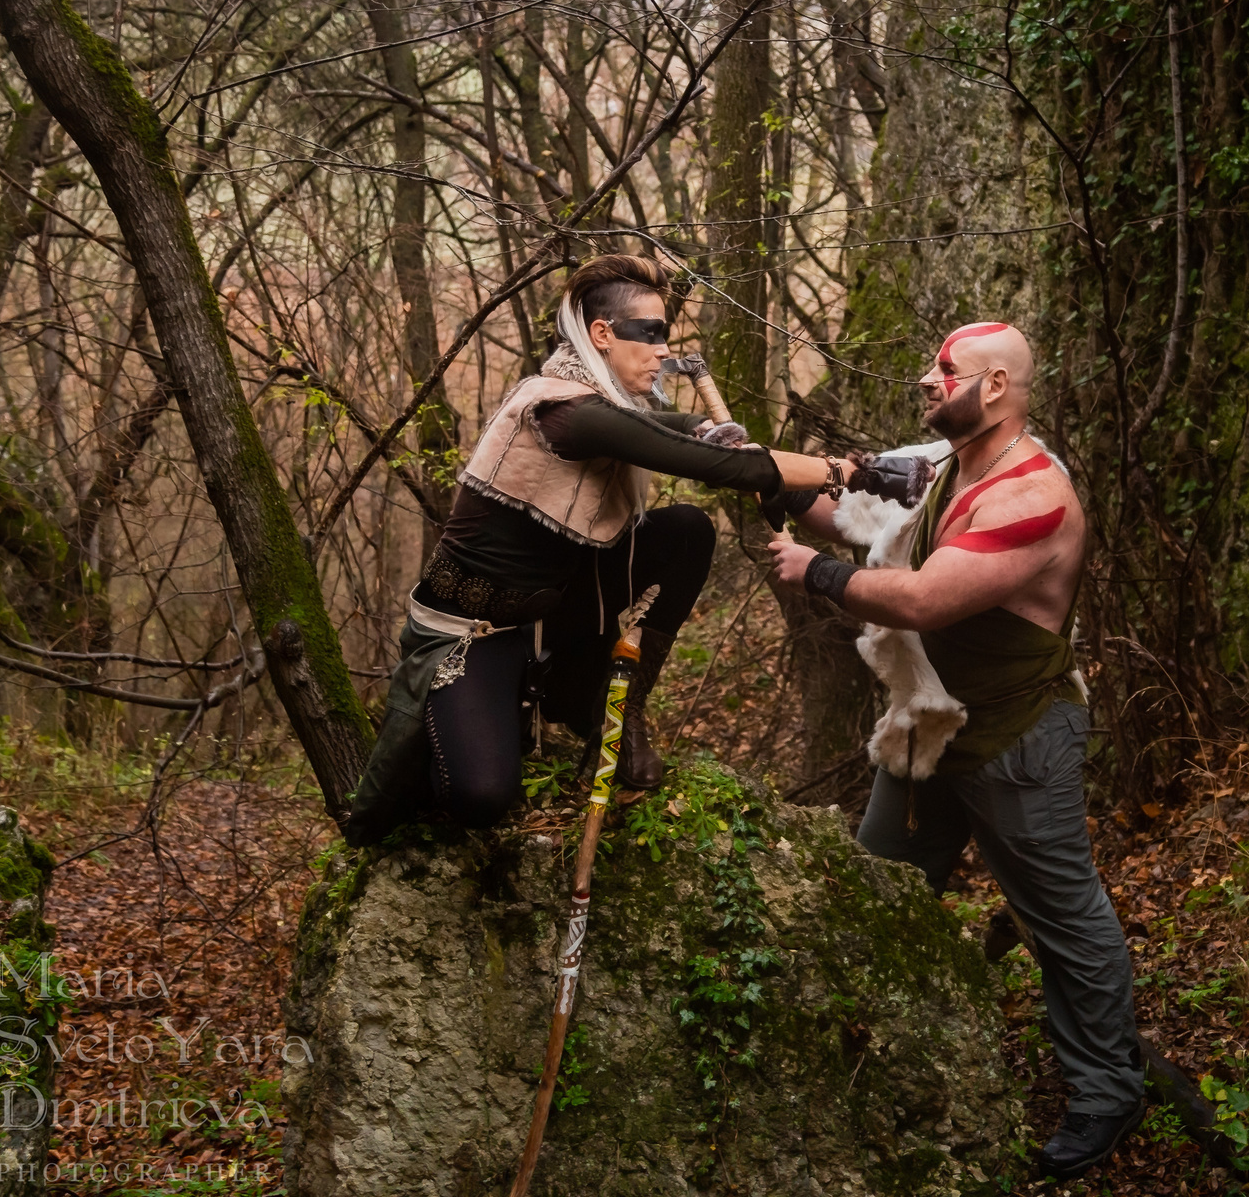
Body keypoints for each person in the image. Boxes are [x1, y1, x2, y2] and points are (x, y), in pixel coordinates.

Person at [343, 253, 921, 845]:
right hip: (475, 633)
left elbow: (676, 431)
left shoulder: (609, 404)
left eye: (664, 335)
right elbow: (708, 463)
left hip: (552, 612)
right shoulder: (564, 408)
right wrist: (852, 472)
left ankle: (611, 710)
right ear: (601, 334)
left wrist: (705, 429)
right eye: (648, 334)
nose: (662, 350)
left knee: (686, 532)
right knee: (480, 798)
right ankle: (489, 712)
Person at [765, 320, 1145, 1179]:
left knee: (1065, 920)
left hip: (1018, 742)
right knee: (878, 890)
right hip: (929, 729)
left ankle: (1107, 1092)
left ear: (999, 386)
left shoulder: (1030, 494)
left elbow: (926, 600)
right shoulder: (942, 465)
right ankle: (858, 1057)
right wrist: (758, 471)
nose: (928, 380)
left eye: (946, 370)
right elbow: (853, 513)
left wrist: (814, 572)